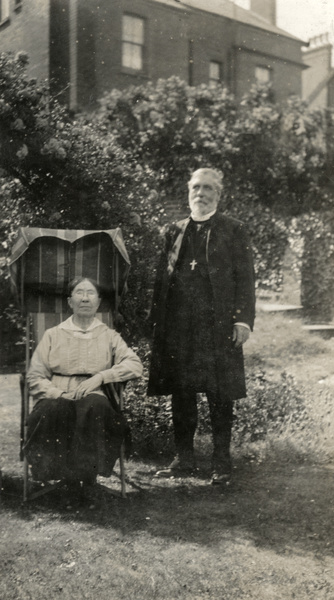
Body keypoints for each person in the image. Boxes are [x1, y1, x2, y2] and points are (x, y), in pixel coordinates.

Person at [147, 168, 255, 484]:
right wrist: (157, 323)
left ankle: (221, 462)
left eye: (208, 188)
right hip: (179, 327)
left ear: (218, 195)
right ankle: (183, 459)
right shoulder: (174, 231)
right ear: (188, 191)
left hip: (218, 326)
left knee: (220, 393)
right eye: (196, 187)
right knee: (181, 393)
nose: (201, 193)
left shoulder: (234, 230)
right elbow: (160, 281)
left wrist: (243, 320)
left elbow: (246, 279)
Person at [25, 276, 143, 493]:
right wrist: (57, 393)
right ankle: (63, 477)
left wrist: (101, 377)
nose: (85, 298)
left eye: (91, 293)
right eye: (79, 292)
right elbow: (35, 376)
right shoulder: (53, 335)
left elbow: (135, 365)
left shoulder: (108, 335)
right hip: (59, 389)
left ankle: (88, 477)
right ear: (70, 302)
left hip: (95, 391)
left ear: (98, 302)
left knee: (95, 408)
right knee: (51, 409)